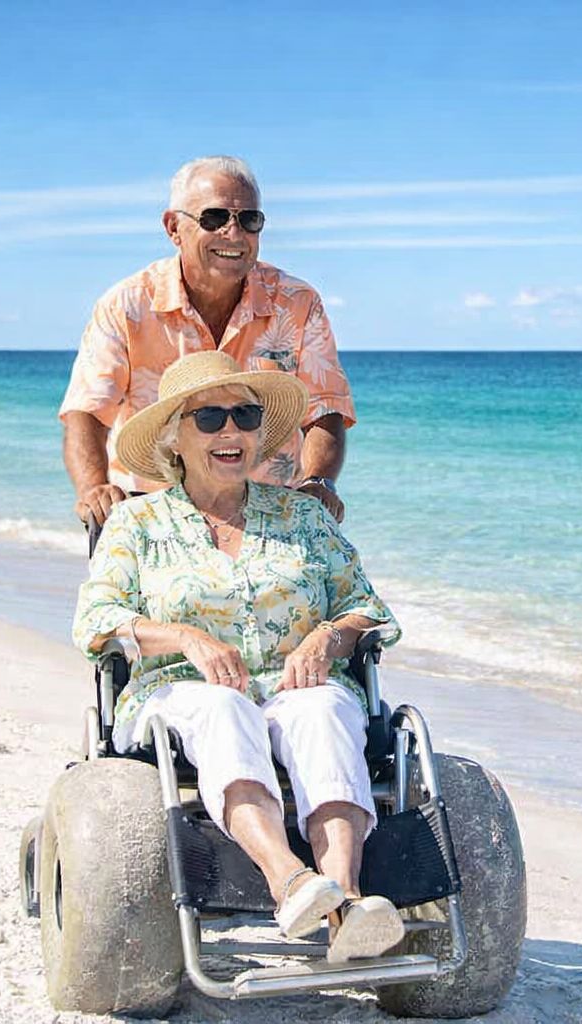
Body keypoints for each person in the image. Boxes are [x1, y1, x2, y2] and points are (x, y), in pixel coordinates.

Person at [72, 349, 403, 962]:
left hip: (292, 684)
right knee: (222, 708)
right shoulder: (137, 523)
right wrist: (185, 638)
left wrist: (331, 635)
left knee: (323, 710)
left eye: (245, 416)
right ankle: (289, 881)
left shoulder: (303, 516)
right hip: (178, 692)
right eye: (210, 419)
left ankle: (347, 905)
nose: (231, 431)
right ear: (174, 437)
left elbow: (369, 606)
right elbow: (95, 621)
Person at [60, 155, 353, 527]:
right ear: (173, 228)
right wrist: (94, 488)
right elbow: (87, 409)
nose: (233, 234)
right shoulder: (127, 305)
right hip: (153, 518)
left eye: (249, 220)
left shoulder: (297, 303)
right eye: (214, 218)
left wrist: (318, 482)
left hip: (270, 520)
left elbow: (325, 409)